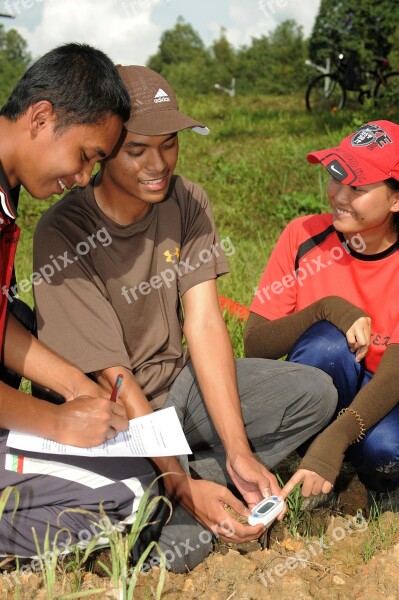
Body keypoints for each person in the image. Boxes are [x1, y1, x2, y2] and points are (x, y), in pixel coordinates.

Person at [32, 65, 338, 572]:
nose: (159, 164)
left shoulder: (188, 200)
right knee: (180, 550)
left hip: (176, 391)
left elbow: (205, 324)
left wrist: (239, 450)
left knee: (315, 393)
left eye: (170, 144)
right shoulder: (64, 231)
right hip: (111, 420)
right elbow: (115, 378)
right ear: (104, 150)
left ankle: (205, 476)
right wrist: (179, 483)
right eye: (137, 150)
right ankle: (176, 488)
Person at [0, 43, 164, 563]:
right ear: (41, 117)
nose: (82, 179)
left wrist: (74, 386)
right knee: (132, 495)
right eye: (86, 156)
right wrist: (55, 423)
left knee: (132, 480)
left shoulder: (8, 188)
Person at [244, 120, 399, 510]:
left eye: (357, 188)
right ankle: (312, 460)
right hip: (329, 387)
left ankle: (367, 476)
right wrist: (324, 308)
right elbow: (255, 344)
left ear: (396, 200)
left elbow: (395, 372)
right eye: (335, 178)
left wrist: (338, 436)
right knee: (327, 345)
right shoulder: (303, 236)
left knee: (386, 448)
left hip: (387, 391)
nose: (339, 196)